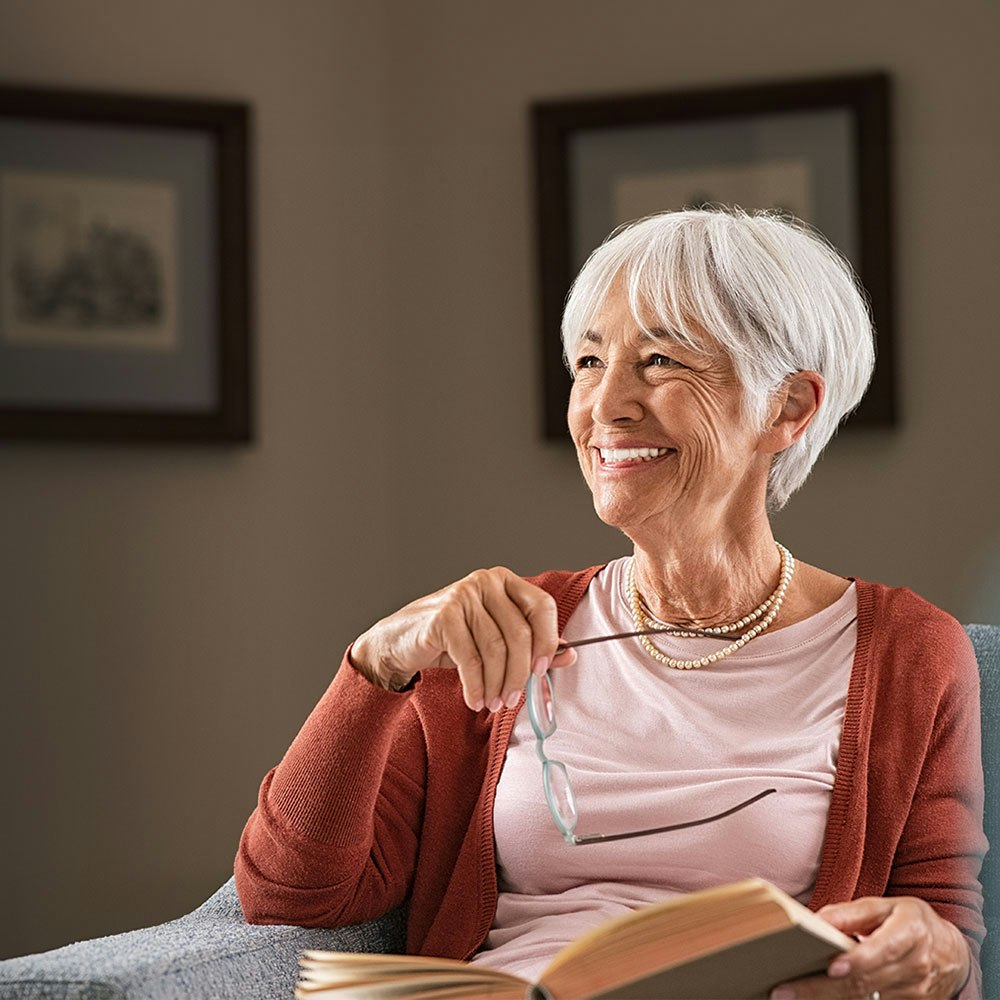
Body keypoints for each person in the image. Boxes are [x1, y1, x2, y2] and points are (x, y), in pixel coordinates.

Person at [235, 208, 986, 999]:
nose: (607, 405)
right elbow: (291, 898)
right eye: (590, 361)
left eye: (660, 360)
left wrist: (932, 955)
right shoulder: (504, 634)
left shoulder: (907, 653)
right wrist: (375, 664)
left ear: (789, 408)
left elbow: (940, 940)